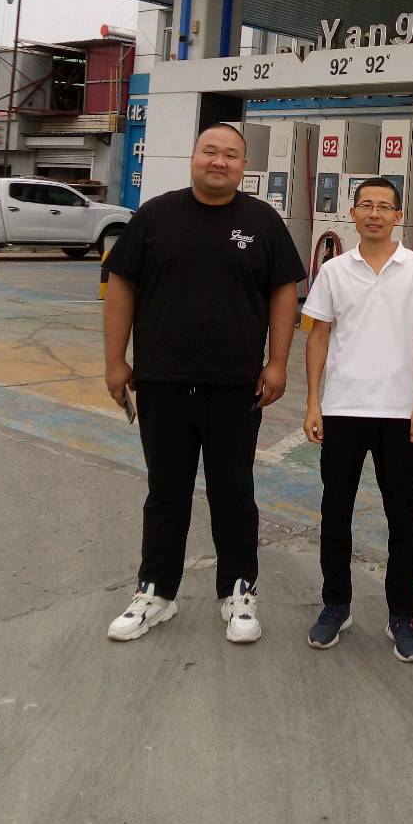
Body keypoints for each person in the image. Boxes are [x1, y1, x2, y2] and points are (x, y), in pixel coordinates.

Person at [103, 122, 306, 644]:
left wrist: (278, 362)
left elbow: (284, 290)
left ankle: (238, 592)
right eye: (210, 151)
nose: (220, 161)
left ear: (244, 166)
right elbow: (121, 283)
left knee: (233, 491)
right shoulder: (155, 216)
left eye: (231, 155)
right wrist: (115, 361)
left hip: (235, 386)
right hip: (161, 381)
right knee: (165, 490)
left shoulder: (262, 221)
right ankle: (155, 592)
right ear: (193, 157)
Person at [302, 176, 413, 662]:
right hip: (342, 409)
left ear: (398, 215)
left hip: (399, 413)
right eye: (365, 205)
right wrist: (314, 402)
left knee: (402, 517)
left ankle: (401, 615)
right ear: (353, 213)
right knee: (335, 513)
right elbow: (318, 336)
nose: (374, 214)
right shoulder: (334, 271)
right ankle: (335, 605)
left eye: (384, 206)